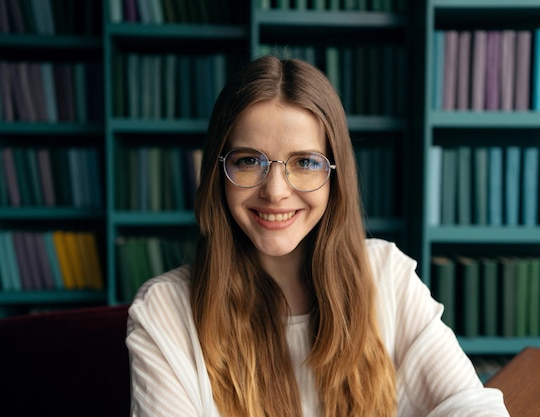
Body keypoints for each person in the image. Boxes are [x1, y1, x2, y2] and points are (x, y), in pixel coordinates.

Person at [126, 55, 510, 417]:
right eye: (248, 161)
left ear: (334, 177)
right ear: (217, 173)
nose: (275, 191)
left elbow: (471, 404)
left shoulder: (387, 274)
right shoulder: (163, 312)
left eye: (305, 162)